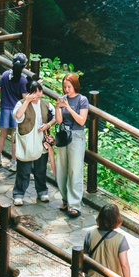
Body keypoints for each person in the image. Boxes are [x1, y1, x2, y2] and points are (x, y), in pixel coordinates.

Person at [12, 80, 56, 206]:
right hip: (26, 142)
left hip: (41, 142)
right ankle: (18, 194)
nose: (37, 95)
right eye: (34, 92)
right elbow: (18, 116)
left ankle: (42, 191)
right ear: (29, 93)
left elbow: (55, 118)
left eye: (39, 92)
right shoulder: (21, 104)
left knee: (41, 169)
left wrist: (47, 125)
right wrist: (26, 101)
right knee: (23, 170)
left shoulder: (46, 105)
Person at [55, 72, 88, 218]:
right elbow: (59, 121)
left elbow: (81, 121)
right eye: (64, 87)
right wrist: (58, 107)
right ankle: (65, 199)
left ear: (75, 86)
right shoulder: (63, 99)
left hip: (76, 136)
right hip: (63, 134)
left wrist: (68, 108)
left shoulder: (82, 100)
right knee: (62, 167)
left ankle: (74, 204)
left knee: (75, 169)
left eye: (69, 86)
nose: (66, 90)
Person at [0, 52, 28, 171]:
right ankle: (13, 162)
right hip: (16, 111)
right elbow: (24, 96)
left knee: (2, 134)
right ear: (24, 67)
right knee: (14, 136)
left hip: (4, 108)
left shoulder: (5, 74)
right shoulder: (23, 80)